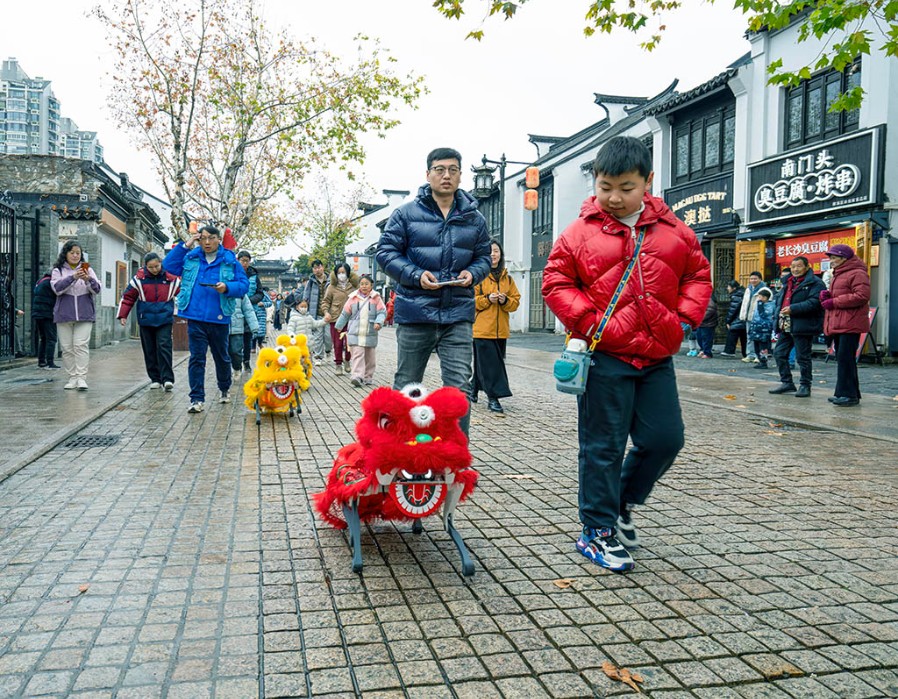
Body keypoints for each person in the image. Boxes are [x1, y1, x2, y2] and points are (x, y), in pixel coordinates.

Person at [542, 136, 712, 573]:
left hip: (656, 356)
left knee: (665, 440)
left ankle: (620, 501)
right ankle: (596, 531)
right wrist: (592, 322)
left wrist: (683, 320)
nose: (615, 198)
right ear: (596, 183)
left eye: (626, 188)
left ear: (647, 181)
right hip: (604, 356)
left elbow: (697, 276)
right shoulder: (578, 233)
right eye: (605, 187)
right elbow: (556, 282)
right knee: (603, 447)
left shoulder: (676, 232)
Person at [376, 147, 492, 437]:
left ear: (460, 175)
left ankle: (455, 453)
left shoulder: (474, 218)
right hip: (415, 312)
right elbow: (385, 253)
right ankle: (397, 449)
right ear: (428, 174)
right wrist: (416, 275)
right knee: (407, 384)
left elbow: (484, 258)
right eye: (439, 169)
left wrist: (473, 273)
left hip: (458, 314)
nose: (446, 175)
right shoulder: (405, 214)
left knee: (458, 390)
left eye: (453, 170)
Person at [163, 224, 249, 413]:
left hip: (219, 318)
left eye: (211, 238)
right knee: (196, 358)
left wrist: (227, 287)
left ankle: (224, 388)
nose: (207, 242)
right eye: (203, 238)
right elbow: (168, 266)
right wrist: (186, 245)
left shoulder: (230, 260)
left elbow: (244, 285)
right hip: (195, 316)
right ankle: (196, 398)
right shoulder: (191, 257)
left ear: (219, 239)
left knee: (221, 357)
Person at [116, 252, 181, 391]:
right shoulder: (138, 280)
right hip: (145, 320)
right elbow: (128, 298)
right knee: (149, 349)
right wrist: (123, 315)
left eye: (157, 266)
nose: (154, 269)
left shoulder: (171, 279)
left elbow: (184, 294)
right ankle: (155, 379)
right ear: (145, 266)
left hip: (164, 319)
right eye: (151, 267)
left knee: (164, 347)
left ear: (161, 263)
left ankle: (167, 379)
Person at [472, 240, 521, 413]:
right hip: (482, 330)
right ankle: (493, 397)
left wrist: (504, 300)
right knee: (492, 366)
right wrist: (487, 299)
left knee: (486, 363)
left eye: (496, 251)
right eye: (489, 251)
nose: (493, 254)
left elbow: (515, 302)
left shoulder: (508, 278)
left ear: (501, 255)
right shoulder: (479, 276)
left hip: (501, 331)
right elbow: (470, 301)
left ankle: (473, 388)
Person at [820, 244, 870, 407]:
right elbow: (844, 293)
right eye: (831, 258)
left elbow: (862, 296)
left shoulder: (857, 273)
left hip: (850, 322)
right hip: (841, 322)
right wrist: (828, 295)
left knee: (846, 358)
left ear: (844, 258)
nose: (831, 261)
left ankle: (849, 395)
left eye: (835, 257)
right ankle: (844, 393)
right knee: (843, 358)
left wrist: (834, 301)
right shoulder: (839, 273)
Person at [769, 256, 825, 398]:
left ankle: (805, 385)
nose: (795, 269)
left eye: (799, 266)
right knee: (779, 353)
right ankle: (787, 382)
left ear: (807, 267)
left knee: (802, 357)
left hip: (803, 325)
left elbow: (815, 302)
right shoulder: (788, 282)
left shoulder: (815, 283)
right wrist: (777, 318)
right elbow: (780, 301)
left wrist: (793, 308)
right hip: (786, 324)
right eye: (793, 267)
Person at [51, 240, 101, 390]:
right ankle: (72, 377)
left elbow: (97, 290)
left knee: (80, 346)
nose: (75, 255)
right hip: (64, 315)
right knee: (67, 348)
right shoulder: (58, 270)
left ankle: (81, 378)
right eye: (72, 252)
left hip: (84, 315)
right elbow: (57, 289)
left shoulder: (88, 270)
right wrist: (73, 277)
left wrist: (88, 279)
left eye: (78, 253)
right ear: (65, 254)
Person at [335, 274, 387, 387]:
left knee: (370, 358)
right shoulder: (353, 298)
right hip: (355, 332)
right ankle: (357, 376)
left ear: (371, 285)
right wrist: (339, 326)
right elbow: (345, 313)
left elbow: (382, 312)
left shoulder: (376, 298)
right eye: (362, 284)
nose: (364, 286)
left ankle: (368, 377)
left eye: (366, 284)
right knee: (357, 355)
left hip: (370, 332)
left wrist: (379, 322)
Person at [322, 263, 359, 375]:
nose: (341, 275)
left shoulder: (354, 286)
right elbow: (326, 301)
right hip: (336, 319)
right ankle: (338, 364)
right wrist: (326, 312)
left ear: (348, 273)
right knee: (337, 344)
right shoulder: (331, 287)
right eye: (339, 273)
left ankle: (347, 360)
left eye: (343, 272)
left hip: (351, 319)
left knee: (349, 343)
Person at [237, 250, 265, 365]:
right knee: (235, 338)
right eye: (242, 261)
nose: (244, 263)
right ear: (238, 260)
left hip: (250, 311)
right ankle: (236, 362)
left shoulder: (254, 276)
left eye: (247, 261)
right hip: (235, 310)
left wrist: (249, 301)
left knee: (247, 337)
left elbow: (260, 293)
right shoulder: (231, 273)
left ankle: (246, 361)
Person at [302, 260, 332, 365]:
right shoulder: (310, 282)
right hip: (316, 313)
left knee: (328, 336)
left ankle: (328, 351)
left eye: (319, 267)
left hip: (329, 313)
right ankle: (318, 356)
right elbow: (305, 297)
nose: (317, 270)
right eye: (315, 268)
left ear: (323, 267)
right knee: (318, 336)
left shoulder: (331, 280)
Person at [32, 270, 60, 369]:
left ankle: (41, 361)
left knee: (43, 338)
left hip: (37, 313)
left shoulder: (40, 281)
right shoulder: (50, 283)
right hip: (47, 313)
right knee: (51, 338)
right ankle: (50, 362)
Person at [738, 271, 767, 362]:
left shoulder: (764, 290)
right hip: (749, 316)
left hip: (759, 318)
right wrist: (743, 315)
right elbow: (744, 303)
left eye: (755, 279)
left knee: (760, 337)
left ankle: (759, 356)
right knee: (749, 337)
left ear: (760, 279)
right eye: (751, 279)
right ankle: (750, 354)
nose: (753, 280)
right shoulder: (748, 289)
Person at [228, 292, 259, 375]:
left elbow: (248, 310)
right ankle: (226, 373)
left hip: (237, 327)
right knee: (223, 353)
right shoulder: (217, 289)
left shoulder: (240, 292)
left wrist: (254, 327)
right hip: (221, 327)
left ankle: (237, 367)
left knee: (236, 351)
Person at [747, 288, 775, 368]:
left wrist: (760, 306)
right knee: (756, 346)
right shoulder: (759, 304)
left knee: (763, 347)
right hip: (756, 329)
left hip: (764, 330)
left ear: (765, 297)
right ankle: (759, 360)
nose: (759, 299)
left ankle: (763, 362)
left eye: (760, 297)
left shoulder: (770, 305)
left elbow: (763, 315)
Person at [720, 280, 747, 358]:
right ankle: (745, 353)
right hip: (743, 319)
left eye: (729, 287)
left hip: (737, 319)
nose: (727, 288)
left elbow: (733, 309)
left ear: (734, 288)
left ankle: (729, 351)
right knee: (744, 337)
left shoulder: (736, 296)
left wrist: (728, 321)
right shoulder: (742, 293)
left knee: (732, 334)